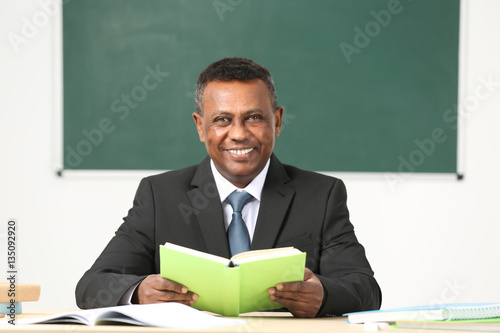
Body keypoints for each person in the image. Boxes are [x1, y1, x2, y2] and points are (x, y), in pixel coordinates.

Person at [76, 57, 381, 318]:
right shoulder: (159, 196)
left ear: (277, 122)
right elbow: (92, 286)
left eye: (254, 118)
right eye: (222, 119)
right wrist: (139, 292)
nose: (238, 134)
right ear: (200, 126)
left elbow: (366, 290)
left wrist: (323, 295)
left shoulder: (321, 195)